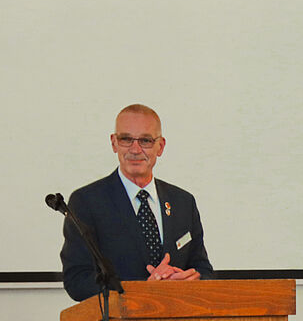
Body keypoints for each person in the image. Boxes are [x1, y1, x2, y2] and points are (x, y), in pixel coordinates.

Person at [59, 103, 213, 301]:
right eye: (126, 139)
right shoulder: (87, 201)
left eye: (146, 140)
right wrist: (140, 290)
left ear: (161, 146)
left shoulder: (183, 202)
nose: (135, 149)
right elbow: (77, 281)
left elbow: (203, 270)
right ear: (114, 143)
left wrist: (194, 279)